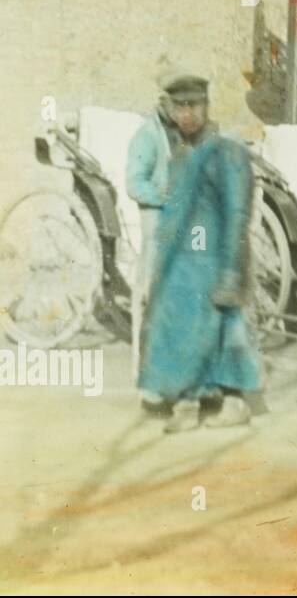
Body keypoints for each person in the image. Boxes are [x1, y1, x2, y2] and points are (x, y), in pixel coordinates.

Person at [137, 73, 262, 432]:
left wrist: (231, 271)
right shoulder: (180, 155)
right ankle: (190, 400)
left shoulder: (226, 152)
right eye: (179, 106)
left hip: (215, 258)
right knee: (186, 329)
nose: (186, 114)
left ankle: (223, 403)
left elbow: (237, 212)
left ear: (206, 106)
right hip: (183, 262)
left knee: (221, 331)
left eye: (193, 105)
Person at [125, 75, 184, 386]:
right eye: (175, 105)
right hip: (155, 229)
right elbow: (134, 183)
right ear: (162, 104)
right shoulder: (147, 137)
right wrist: (163, 196)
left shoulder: (177, 135)